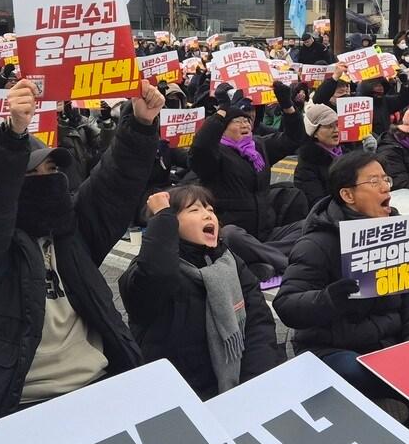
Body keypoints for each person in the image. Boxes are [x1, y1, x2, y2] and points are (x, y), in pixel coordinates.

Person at [0, 80, 162, 428]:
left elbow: (113, 186)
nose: (46, 180)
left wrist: (141, 125)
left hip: (98, 383)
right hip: (16, 399)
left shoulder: (70, 231)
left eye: (52, 170)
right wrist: (11, 137)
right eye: (31, 172)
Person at [274, 151, 409, 412]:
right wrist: (328, 299)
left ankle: (397, 397)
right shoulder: (318, 242)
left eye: (386, 180)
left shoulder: (400, 234)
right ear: (348, 195)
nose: (385, 188)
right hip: (333, 348)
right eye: (373, 182)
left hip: (387, 345)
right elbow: (287, 305)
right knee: (364, 373)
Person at [119, 186, 283, 399]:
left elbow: (259, 322)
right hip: (175, 394)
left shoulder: (229, 262)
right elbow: (157, 273)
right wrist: (161, 217)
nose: (208, 215)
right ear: (171, 223)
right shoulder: (147, 271)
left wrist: (254, 383)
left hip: (236, 386)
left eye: (210, 209)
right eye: (194, 210)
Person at [190, 83, 305, 277]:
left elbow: (294, 139)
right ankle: (287, 264)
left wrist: (287, 105)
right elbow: (199, 148)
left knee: (308, 226)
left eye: (247, 120)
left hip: (264, 234)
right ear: (222, 129)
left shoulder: (258, 146)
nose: (245, 124)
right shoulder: (215, 155)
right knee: (231, 235)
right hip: (233, 234)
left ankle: (258, 259)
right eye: (237, 121)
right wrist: (223, 109)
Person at [293, 103, 361, 205]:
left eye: (337, 125)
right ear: (314, 132)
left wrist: (368, 154)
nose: (336, 130)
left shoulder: (348, 155)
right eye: (329, 126)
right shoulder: (306, 167)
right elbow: (318, 205)